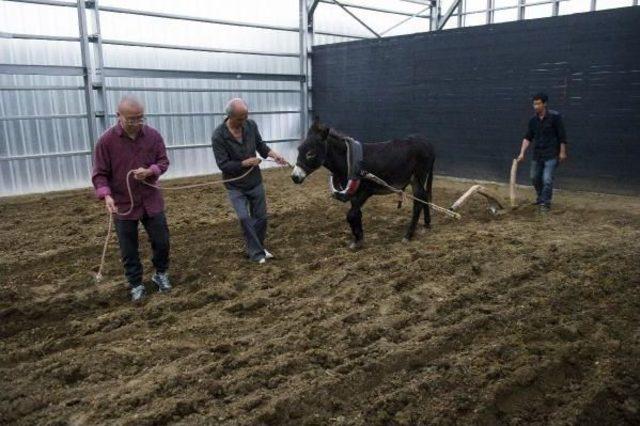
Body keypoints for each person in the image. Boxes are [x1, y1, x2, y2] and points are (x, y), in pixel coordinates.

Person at [92, 96, 171, 301]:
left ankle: (160, 274)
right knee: (129, 249)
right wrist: (106, 195)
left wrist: (150, 170)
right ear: (118, 116)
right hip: (123, 204)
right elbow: (99, 174)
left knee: (162, 241)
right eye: (131, 119)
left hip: (151, 199)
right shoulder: (106, 142)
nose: (136, 123)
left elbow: (163, 161)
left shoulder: (153, 136)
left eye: (140, 118)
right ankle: (136, 284)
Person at [211, 98, 288, 263]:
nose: (244, 121)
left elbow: (261, 146)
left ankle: (257, 248)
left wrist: (275, 155)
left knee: (261, 217)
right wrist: (244, 163)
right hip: (235, 186)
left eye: (246, 116)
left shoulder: (251, 126)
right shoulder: (218, 136)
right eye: (240, 118)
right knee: (244, 218)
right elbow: (223, 164)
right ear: (230, 116)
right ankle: (258, 254)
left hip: (254, 181)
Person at [516, 92, 568, 212]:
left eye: (538, 104)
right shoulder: (533, 120)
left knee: (547, 179)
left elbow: (562, 136)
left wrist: (562, 152)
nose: (535, 106)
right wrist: (522, 153)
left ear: (545, 104)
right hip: (538, 154)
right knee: (534, 177)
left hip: (551, 154)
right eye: (534, 104)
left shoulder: (555, 117)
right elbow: (528, 137)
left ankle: (545, 203)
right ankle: (540, 198)